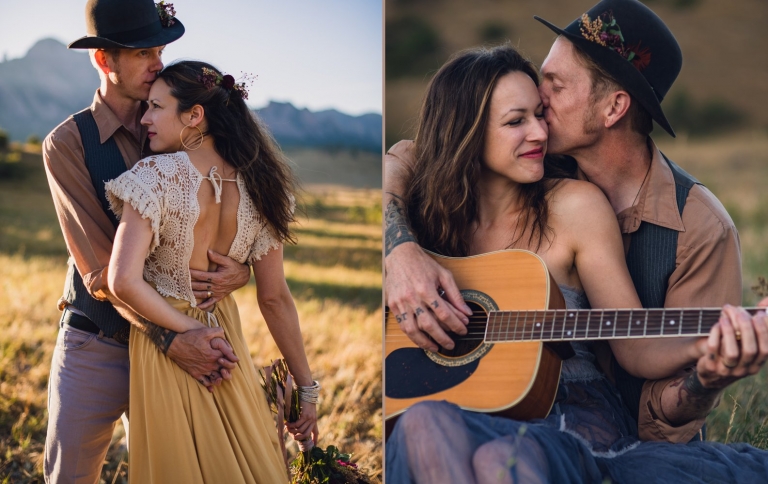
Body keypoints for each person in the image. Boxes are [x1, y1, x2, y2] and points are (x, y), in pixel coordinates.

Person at [384, 0, 768, 449]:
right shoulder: (530, 163)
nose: (539, 103)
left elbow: (659, 399)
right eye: (522, 109)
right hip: (480, 398)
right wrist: (400, 251)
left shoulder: (700, 229)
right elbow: (410, 156)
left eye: (555, 85)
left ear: (614, 108)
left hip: (603, 427)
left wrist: (709, 362)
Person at [42, 1, 249, 481]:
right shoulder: (68, 144)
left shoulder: (185, 126)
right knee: (69, 475)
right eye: (140, 52)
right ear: (103, 60)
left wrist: (241, 269)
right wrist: (172, 336)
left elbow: (228, 209)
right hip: (99, 343)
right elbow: (100, 272)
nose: (156, 62)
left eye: (158, 48)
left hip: (180, 349)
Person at [103, 59, 316, 482]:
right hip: (226, 342)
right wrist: (306, 390)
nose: (144, 118)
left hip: (173, 343)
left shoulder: (155, 175)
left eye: (156, 107)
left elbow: (121, 280)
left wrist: (186, 332)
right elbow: (275, 299)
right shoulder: (263, 187)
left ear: (194, 116)